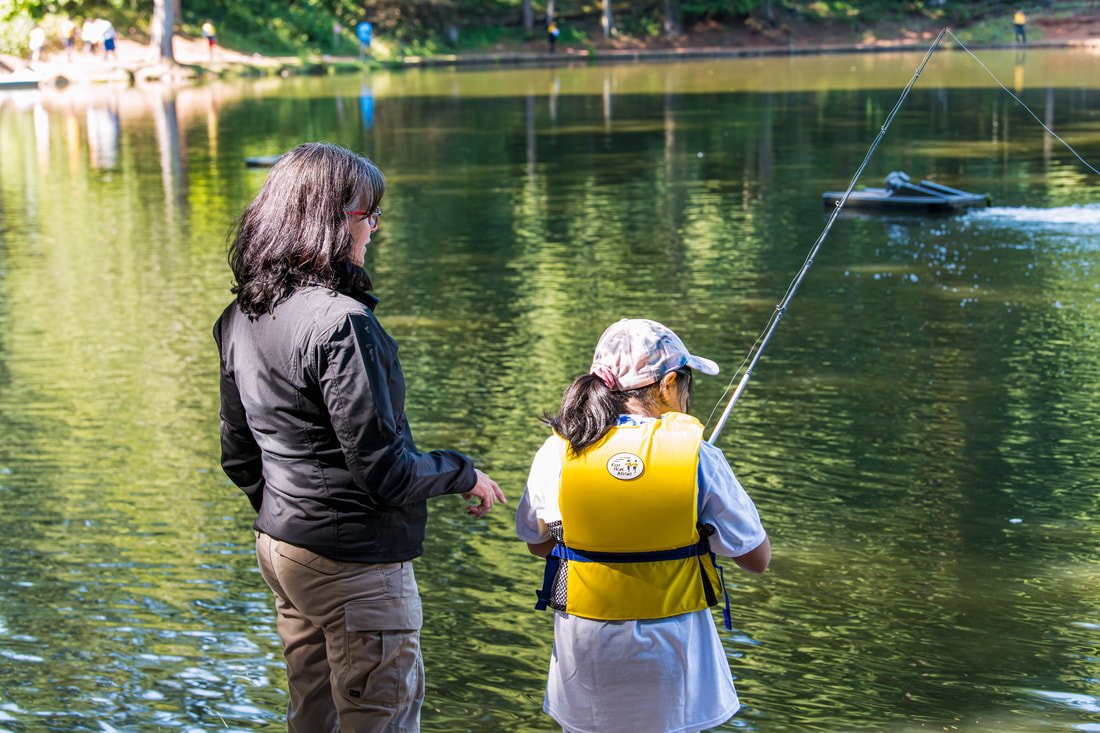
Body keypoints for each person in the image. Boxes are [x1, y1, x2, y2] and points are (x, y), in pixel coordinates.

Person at [214, 142, 505, 732]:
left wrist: (291, 513)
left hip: (284, 550)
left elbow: (238, 454)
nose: (375, 228)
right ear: (328, 219)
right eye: (367, 214)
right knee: (382, 718)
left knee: (312, 717)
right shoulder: (343, 322)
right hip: (355, 569)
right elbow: (387, 471)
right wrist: (463, 471)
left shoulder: (241, 313)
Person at [516, 318, 771, 733]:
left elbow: (538, 543)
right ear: (668, 385)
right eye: (687, 383)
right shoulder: (700, 458)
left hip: (585, 666)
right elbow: (756, 558)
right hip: (675, 672)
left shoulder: (557, 450)